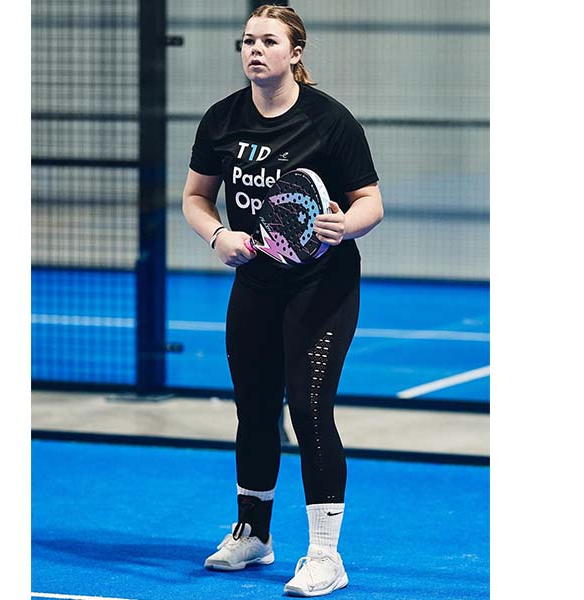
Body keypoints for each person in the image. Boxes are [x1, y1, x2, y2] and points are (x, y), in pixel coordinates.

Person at [181, 5, 383, 597]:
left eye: (268, 41)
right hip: (256, 282)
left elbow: (370, 201)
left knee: (309, 408)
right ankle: (253, 534)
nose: (254, 50)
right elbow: (195, 197)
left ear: (295, 53)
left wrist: (346, 226)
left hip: (323, 283)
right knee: (254, 408)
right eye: (247, 40)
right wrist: (217, 236)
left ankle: (325, 555)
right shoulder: (221, 119)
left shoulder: (330, 121)